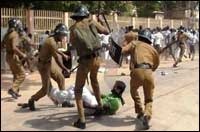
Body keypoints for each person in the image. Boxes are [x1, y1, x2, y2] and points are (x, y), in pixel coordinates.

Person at [69, 5, 109, 129]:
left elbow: (73, 44)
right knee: (94, 80)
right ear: (85, 14)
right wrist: (101, 21)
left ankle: (82, 120)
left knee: (78, 90)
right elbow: (106, 31)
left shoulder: (73, 28)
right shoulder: (92, 22)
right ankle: (100, 107)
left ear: (76, 16)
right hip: (97, 58)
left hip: (85, 61)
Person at [121, 29, 160, 129]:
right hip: (149, 72)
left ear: (140, 37)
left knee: (133, 90)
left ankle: (140, 111)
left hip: (137, 71)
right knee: (149, 99)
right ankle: (147, 114)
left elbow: (123, 51)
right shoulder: (153, 49)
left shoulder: (135, 43)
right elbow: (156, 65)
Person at [27, 23, 71, 111]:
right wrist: (65, 69)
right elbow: (57, 59)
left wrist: (63, 54)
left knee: (60, 78)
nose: (63, 37)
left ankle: (63, 100)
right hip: (43, 65)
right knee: (46, 89)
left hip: (49, 63)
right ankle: (32, 99)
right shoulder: (52, 42)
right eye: (62, 35)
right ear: (58, 34)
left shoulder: (53, 39)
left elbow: (55, 50)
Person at [48, 80, 126, 115]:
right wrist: (91, 91)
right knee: (77, 87)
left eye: (115, 86)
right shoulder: (112, 95)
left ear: (118, 90)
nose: (113, 86)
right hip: (95, 101)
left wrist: (90, 106)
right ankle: (59, 96)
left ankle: (56, 94)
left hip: (96, 106)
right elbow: (99, 94)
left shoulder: (116, 102)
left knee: (80, 91)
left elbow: (103, 107)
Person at [1, 18, 27, 99]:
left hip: (8, 56)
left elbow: (1, 45)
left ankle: (15, 92)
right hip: (13, 56)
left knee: (16, 74)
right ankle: (13, 89)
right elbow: (14, 47)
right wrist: (22, 54)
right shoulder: (14, 34)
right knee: (22, 74)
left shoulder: (6, 34)